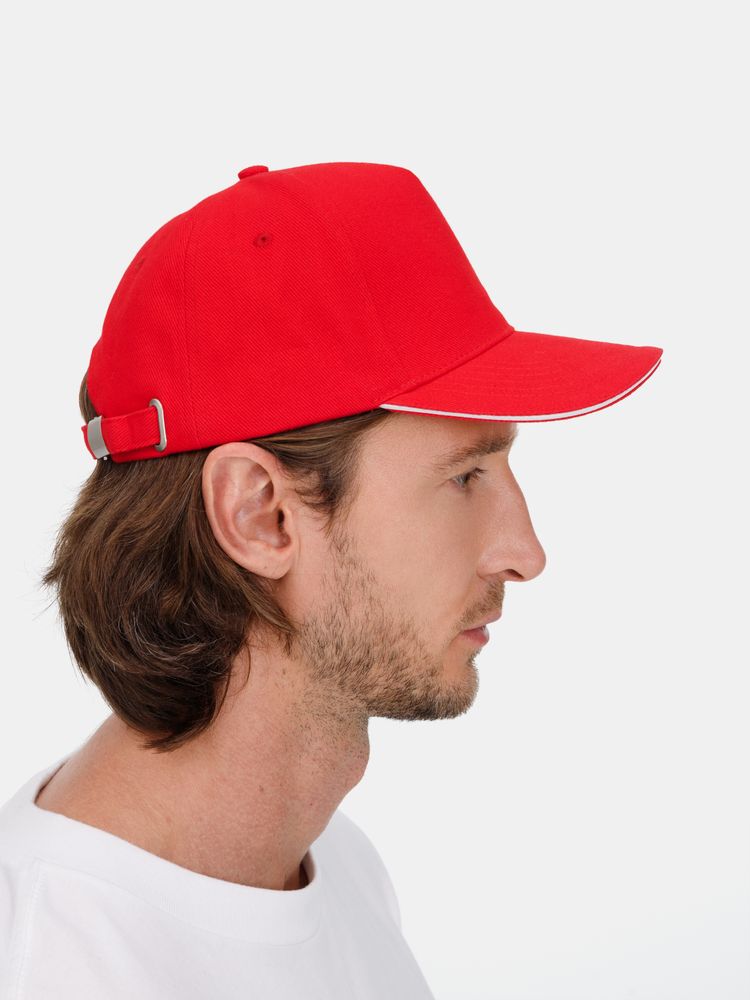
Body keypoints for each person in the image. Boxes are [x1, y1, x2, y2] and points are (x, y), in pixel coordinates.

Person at [0, 161, 663, 999]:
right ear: (259, 514)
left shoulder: (334, 866)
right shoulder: (54, 965)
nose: (525, 553)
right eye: (465, 476)